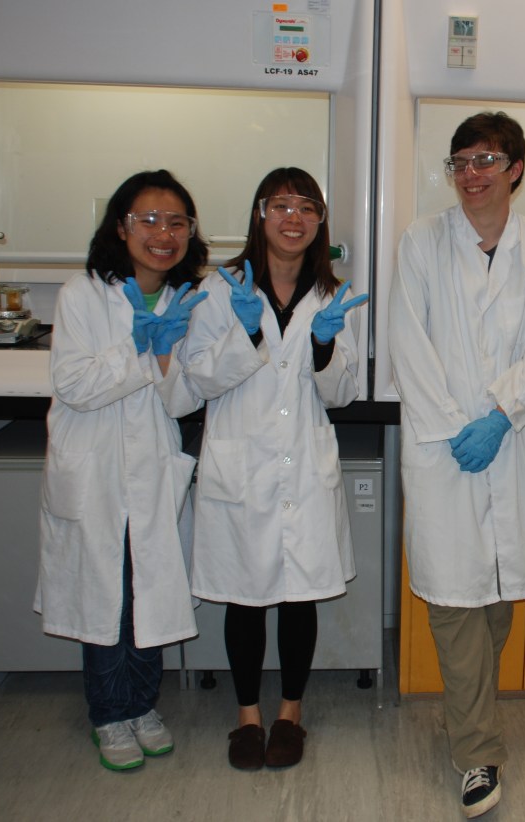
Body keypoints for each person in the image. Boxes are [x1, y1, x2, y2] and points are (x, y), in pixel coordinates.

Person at [388, 112, 525, 818]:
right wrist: (453, 429)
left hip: (504, 439)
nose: (471, 174)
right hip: (441, 451)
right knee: (453, 604)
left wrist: (499, 417)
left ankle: (469, 714)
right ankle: (478, 753)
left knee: (493, 604)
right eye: (460, 160)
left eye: (486, 160)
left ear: (516, 169)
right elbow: (410, 342)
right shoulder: (422, 241)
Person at [178, 167, 367, 772]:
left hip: (304, 468)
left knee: (298, 599)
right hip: (242, 465)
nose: (294, 217)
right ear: (260, 214)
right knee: (245, 596)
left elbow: (342, 394)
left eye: (307, 206)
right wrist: (240, 327)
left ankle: (290, 712)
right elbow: (199, 379)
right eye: (281, 204)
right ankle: (246, 717)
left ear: (320, 221)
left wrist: (322, 347)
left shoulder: (334, 296)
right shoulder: (217, 290)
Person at [35, 169, 208, 771]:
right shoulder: (83, 293)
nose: (164, 234)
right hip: (97, 471)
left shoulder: (187, 299)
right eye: (149, 220)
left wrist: (168, 355)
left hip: (152, 470)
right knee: (107, 596)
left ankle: (143, 705)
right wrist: (140, 347)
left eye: (177, 222)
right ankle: (110, 714)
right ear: (121, 227)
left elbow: (183, 399)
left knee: (150, 590)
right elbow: (76, 385)